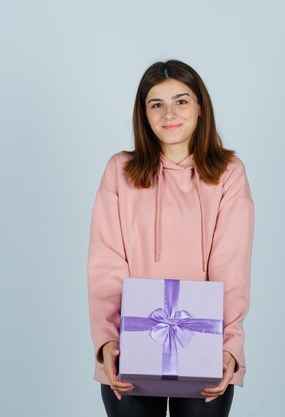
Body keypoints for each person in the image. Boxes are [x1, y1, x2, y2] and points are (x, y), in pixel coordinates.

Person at [87, 59, 254, 417]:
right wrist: (107, 341)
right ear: (144, 113)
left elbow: (231, 267)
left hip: (205, 346)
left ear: (199, 107)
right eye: (156, 104)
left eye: (181, 100)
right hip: (130, 347)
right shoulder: (120, 170)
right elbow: (107, 261)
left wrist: (230, 346)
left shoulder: (228, 174)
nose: (169, 114)